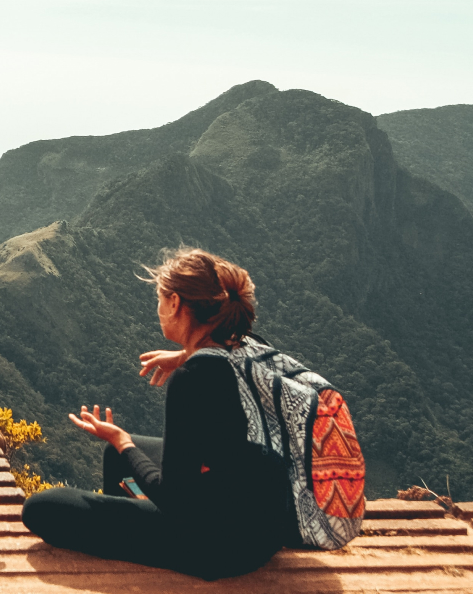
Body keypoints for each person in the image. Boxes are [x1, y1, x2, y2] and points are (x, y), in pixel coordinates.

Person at [21, 247, 295, 580]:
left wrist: (122, 440)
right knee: (114, 456)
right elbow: (220, 362)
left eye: (160, 299)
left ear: (175, 302)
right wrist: (184, 355)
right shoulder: (248, 346)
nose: (159, 308)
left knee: (42, 508)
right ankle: (136, 532)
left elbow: (174, 500)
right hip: (267, 526)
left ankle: (145, 539)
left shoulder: (191, 379)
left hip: (220, 547)